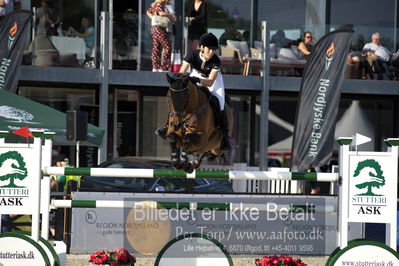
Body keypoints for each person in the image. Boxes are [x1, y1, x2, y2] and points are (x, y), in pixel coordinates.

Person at [156, 33, 232, 151]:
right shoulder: (192, 55)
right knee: (178, 97)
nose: (211, 52)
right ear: (201, 47)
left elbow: (210, 81)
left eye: (213, 49)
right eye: (209, 49)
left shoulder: (216, 61)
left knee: (221, 104)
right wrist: (181, 80)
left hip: (212, 81)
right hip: (194, 75)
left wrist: (198, 80)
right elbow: (182, 73)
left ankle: (225, 137)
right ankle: (167, 126)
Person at [147, 0, 176, 72]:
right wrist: (171, 14)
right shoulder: (160, 4)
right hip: (159, 28)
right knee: (167, 46)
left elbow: (148, 11)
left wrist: (153, 17)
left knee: (156, 47)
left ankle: (155, 67)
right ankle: (164, 67)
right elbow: (161, 13)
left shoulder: (155, 5)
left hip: (155, 28)